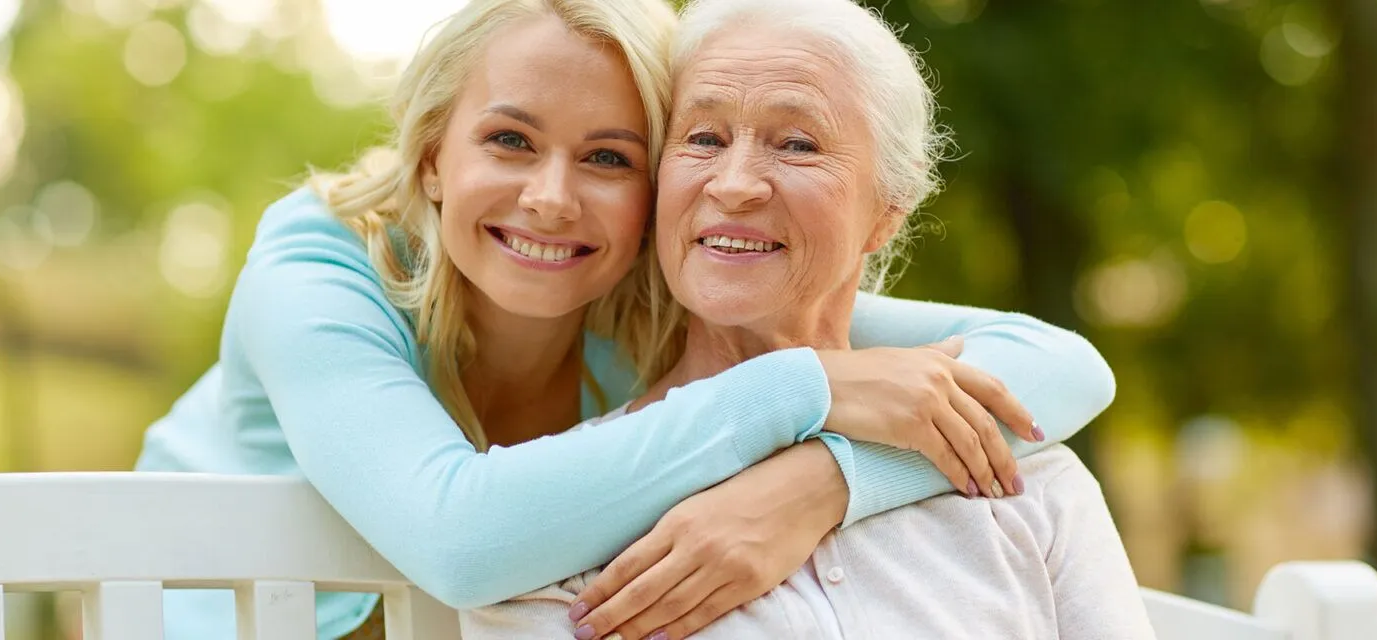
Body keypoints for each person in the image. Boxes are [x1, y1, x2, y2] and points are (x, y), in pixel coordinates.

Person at [134, 0, 1116, 637]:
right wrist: (807, 386)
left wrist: (823, 482)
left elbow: (1058, 365)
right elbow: (461, 539)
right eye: (510, 140)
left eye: (609, 157)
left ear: (651, 189)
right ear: (431, 157)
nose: (552, 200)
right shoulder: (320, 260)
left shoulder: (645, 281)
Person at [456, 0, 1154, 638]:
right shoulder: (556, 534)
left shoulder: (1028, 477)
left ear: (889, 208)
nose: (734, 184)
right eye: (703, 137)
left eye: (797, 145)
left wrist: (829, 478)